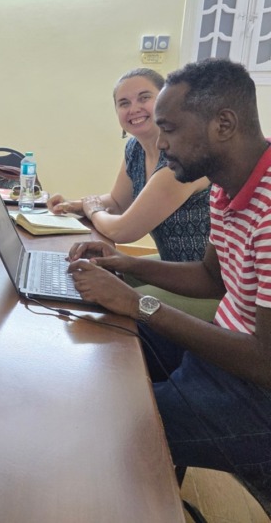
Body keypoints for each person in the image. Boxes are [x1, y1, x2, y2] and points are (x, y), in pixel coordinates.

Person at [67, 59, 271, 512]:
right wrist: (122, 263)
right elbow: (210, 276)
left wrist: (140, 304)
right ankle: (159, 493)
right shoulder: (225, 185)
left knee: (110, 425)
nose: (161, 143)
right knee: (115, 340)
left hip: (255, 395)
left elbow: (265, 361)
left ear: (223, 124)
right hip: (222, 360)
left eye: (171, 129)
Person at [48, 68, 211, 262]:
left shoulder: (182, 155)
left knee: (94, 283)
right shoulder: (135, 148)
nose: (133, 109)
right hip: (172, 265)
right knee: (85, 271)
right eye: (124, 103)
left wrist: (92, 210)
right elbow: (117, 203)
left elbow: (122, 231)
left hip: (201, 280)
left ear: (166, 101)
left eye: (144, 98)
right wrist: (75, 205)